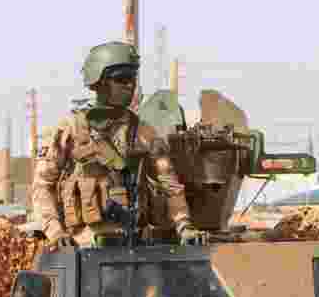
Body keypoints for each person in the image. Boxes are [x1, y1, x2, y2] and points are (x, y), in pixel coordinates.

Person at [30, 41, 201, 248]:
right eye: (121, 79)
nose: (130, 85)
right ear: (98, 81)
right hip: (83, 249)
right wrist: (56, 233)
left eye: (133, 79)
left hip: (133, 246)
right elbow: (42, 186)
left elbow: (170, 185)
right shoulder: (71, 129)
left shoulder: (143, 133)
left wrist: (184, 225)